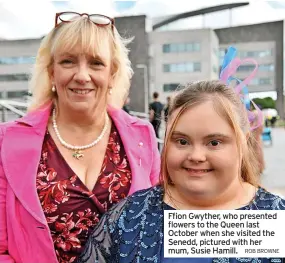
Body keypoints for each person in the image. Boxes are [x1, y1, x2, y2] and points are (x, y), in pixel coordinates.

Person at [0, 12, 160, 263]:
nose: (82, 75)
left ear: (112, 73)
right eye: (68, 61)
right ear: (52, 71)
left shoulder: (143, 136)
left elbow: (157, 228)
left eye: (96, 63)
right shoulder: (6, 140)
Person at [77, 80, 285, 263]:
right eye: (182, 141)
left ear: (242, 142)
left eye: (214, 142)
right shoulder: (128, 218)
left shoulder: (276, 219)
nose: (196, 156)